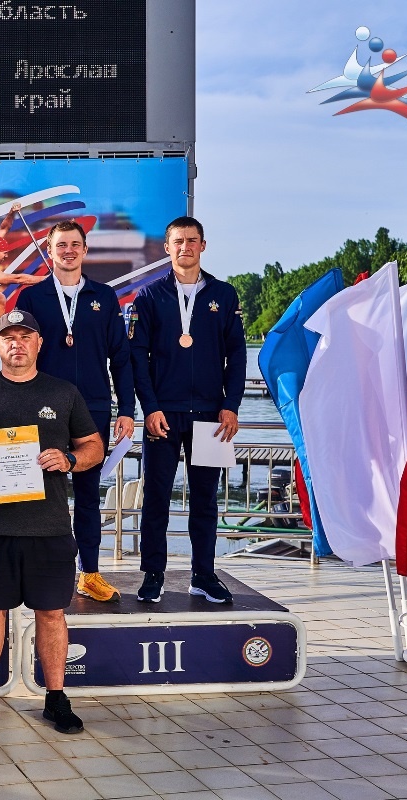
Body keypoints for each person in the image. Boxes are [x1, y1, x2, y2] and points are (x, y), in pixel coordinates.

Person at [0, 310, 103, 733]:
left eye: (26, 336)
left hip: (49, 528)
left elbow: (94, 446)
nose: (17, 344)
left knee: (51, 614)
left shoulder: (63, 393)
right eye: (9, 337)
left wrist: (70, 459)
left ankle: (56, 698)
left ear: (39, 343)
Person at [129, 216, 247, 604]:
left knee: (206, 500)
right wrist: (150, 408)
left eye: (192, 241)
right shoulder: (149, 296)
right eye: (178, 241)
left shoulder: (224, 294)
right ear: (167, 248)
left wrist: (230, 405)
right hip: (163, 416)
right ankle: (153, 574)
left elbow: (238, 355)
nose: (185, 247)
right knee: (156, 497)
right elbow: (137, 357)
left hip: (212, 416)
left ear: (203, 245)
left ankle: (204, 574)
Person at [16, 221, 135, 602]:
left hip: (93, 408)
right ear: (49, 251)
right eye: (60, 245)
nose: (68, 251)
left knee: (87, 495)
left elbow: (121, 358)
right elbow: (17, 355)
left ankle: (90, 573)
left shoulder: (104, 296)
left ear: (85, 250)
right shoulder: (31, 298)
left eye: (74, 244)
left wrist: (127, 409)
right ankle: (37, 570)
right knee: (37, 492)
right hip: (42, 408)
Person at [0, 201, 47, 319]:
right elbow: (18, 278)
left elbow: (4, 228)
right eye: (4, 253)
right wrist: (47, 279)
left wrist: (12, 213)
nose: (6, 256)